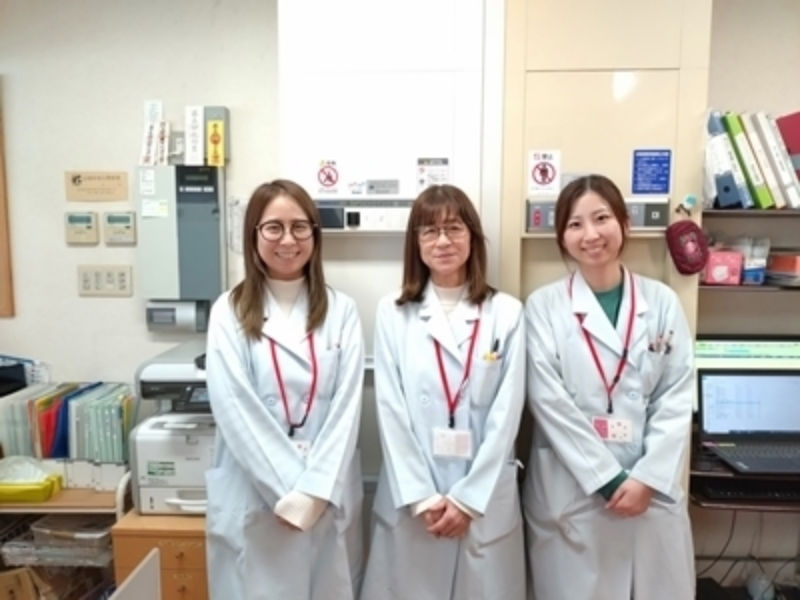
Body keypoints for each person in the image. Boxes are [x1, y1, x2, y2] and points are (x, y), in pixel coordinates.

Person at [523, 174, 695, 600]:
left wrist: (647, 479)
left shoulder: (661, 302)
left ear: (624, 223)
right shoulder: (544, 307)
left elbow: (675, 397)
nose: (591, 234)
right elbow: (548, 402)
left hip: (649, 491)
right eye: (575, 224)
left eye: (601, 218)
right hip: (574, 492)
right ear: (562, 237)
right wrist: (607, 479)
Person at [361, 184, 526, 600]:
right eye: (430, 231)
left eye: (454, 228)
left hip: (482, 500)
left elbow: (506, 416)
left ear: (472, 236)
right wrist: (422, 497)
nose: (443, 241)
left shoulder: (506, 313)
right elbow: (390, 410)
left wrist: (468, 501)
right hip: (415, 501)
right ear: (415, 243)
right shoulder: (393, 312)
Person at [204, 179, 365, 600]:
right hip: (256, 496)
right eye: (274, 227)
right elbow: (235, 408)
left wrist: (313, 494)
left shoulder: (342, 311)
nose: (288, 240)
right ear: (253, 235)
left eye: (300, 227)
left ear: (315, 233)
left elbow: (347, 411)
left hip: (325, 495)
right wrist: (289, 495)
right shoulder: (228, 311)